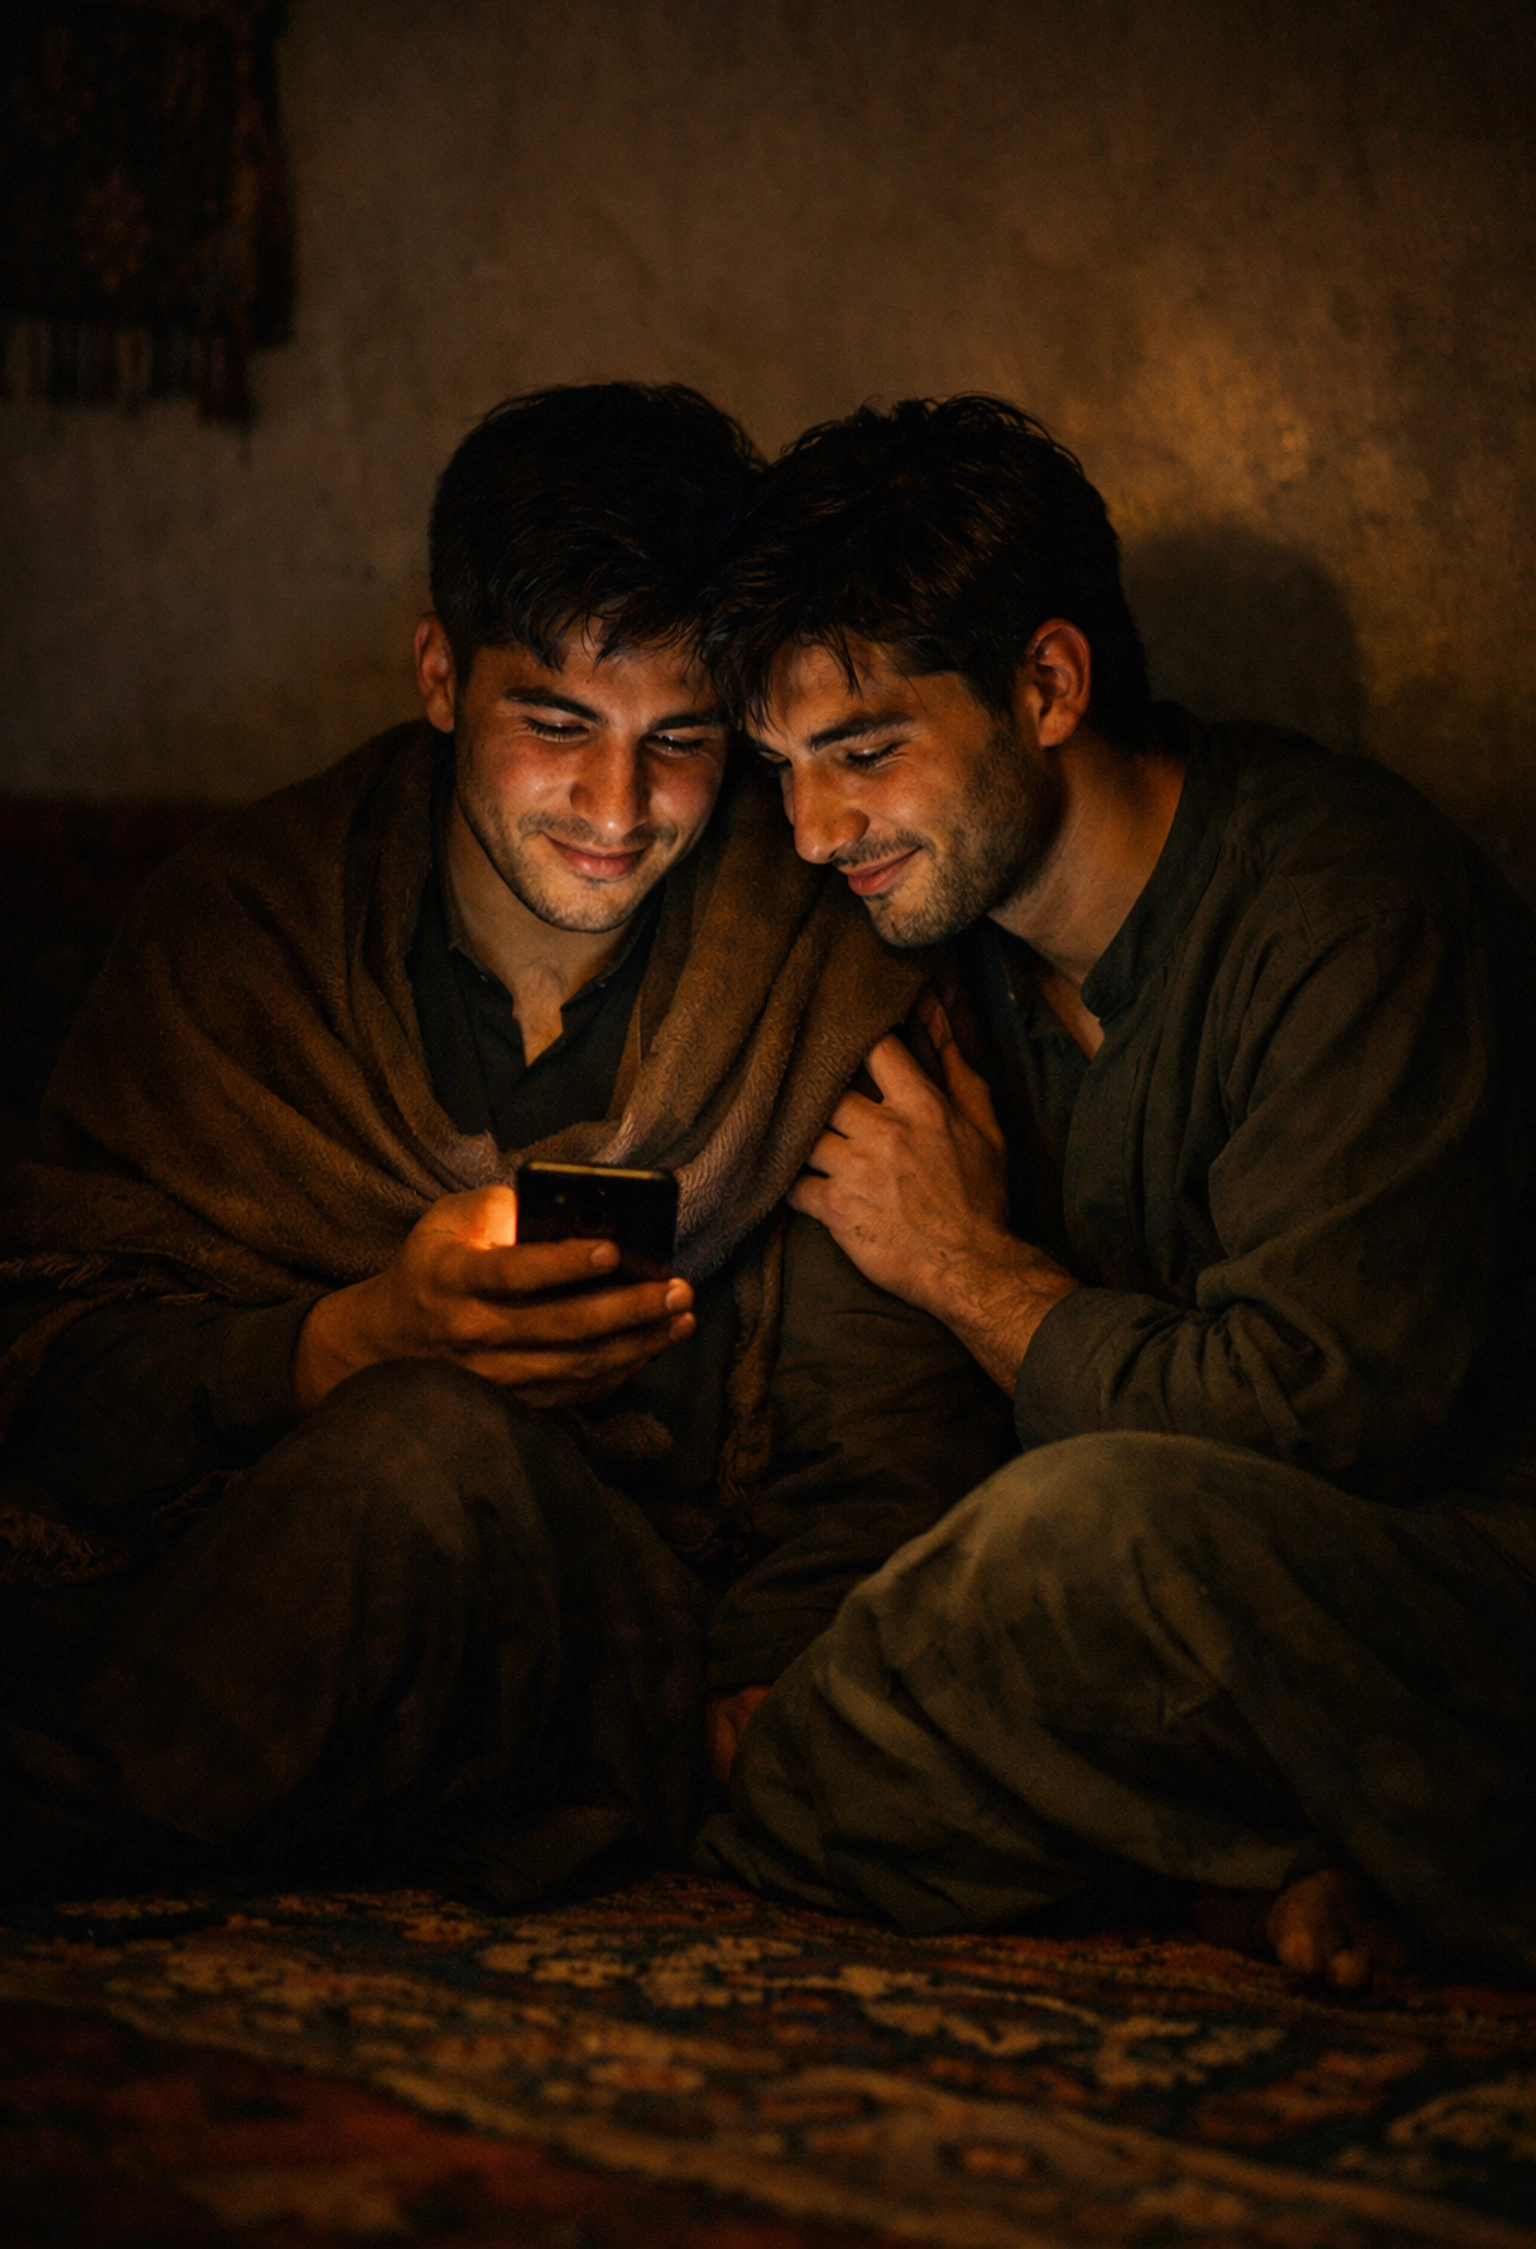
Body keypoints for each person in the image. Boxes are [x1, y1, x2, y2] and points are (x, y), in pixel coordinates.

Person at [0, 383, 1013, 1905]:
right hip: (214, 1604)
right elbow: (43, 1366)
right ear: (437, 673)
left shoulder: (814, 967)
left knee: (433, 1447)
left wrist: (762, 1736)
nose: (619, 808)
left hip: (621, 1657)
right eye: (557, 725)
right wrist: (334, 1344)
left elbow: (886, 1449)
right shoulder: (246, 932)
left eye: (680, 741)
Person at [695, 395, 1536, 1986]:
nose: (813, 831)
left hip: (1451, 1585)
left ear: (1051, 683)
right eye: (782, 769)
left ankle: (842, 1792)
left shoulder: (1350, 912)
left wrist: (968, 1271)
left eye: (865, 753)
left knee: (1073, 1541)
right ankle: (1253, 1882)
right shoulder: (951, 957)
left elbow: (1318, 1433)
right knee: (897, 1670)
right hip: (1219, 1637)